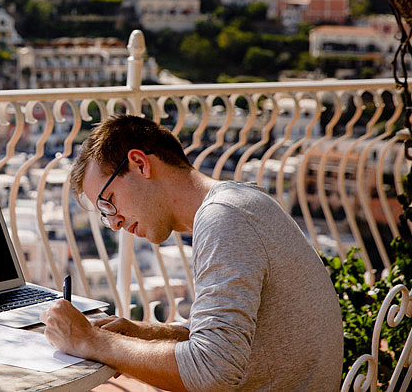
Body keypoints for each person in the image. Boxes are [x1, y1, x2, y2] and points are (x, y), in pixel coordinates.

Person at [41, 114, 343, 392]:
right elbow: (230, 339)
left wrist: (91, 341)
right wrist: (141, 333)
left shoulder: (224, 219)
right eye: (105, 215)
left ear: (140, 164)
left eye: (108, 203)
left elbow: (213, 370)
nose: (115, 222)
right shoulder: (242, 201)